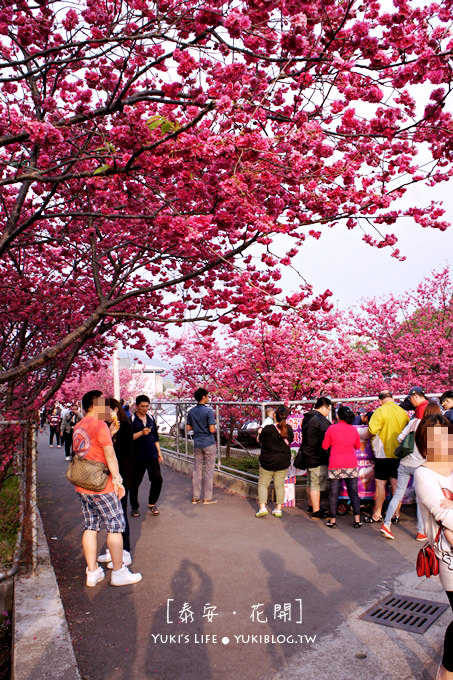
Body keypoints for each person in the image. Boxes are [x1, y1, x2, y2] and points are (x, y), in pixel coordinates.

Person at [72, 390, 142, 587]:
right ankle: (119, 571)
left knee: (90, 526)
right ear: (94, 405)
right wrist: (118, 481)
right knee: (115, 526)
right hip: (102, 485)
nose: (108, 408)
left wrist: (110, 433)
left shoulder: (80, 425)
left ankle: (92, 572)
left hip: (83, 484)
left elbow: (91, 450)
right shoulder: (98, 424)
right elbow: (110, 456)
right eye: (103, 403)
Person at [414, 414, 453, 680]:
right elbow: (445, 517)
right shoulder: (423, 473)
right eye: (434, 439)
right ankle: (447, 670)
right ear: (424, 445)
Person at [378, 405, 441, 541]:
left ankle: (386, 524)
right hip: (421, 467)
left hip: (405, 463)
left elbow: (400, 438)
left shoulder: (413, 422)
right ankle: (420, 531)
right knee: (419, 499)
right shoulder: (431, 427)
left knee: (398, 494)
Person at [97, 398, 134, 569]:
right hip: (108, 474)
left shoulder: (125, 426)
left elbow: (120, 452)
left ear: (114, 410)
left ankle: (124, 550)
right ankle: (113, 549)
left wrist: (110, 437)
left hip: (121, 474)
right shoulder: (106, 426)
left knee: (120, 513)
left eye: (105, 410)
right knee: (110, 514)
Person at [366, 390, 409, 523]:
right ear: (392, 398)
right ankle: (395, 514)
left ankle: (377, 514)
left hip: (382, 454)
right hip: (399, 454)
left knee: (380, 484)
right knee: (396, 485)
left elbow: (372, 430)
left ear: (380, 400)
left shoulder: (380, 411)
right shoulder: (402, 412)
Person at [322, 405, 362, 528]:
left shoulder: (331, 428)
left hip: (335, 464)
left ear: (338, 416)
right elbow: (357, 446)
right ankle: (357, 519)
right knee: (353, 492)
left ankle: (332, 520)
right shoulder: (353, 430)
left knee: (333, 493)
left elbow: (324, 446)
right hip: (351, 464)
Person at [255, 406, 294, 518]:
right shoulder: (289, 429)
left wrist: (260, 432)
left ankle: (262, 508)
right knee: (280, 485)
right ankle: (278, 509)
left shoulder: (267, 429)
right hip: (283, 461)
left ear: (275, 416)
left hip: (267, 461)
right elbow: (290, 440)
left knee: (263, 484)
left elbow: (259, 440)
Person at [130, 394, 163, 516]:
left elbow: (155, 437)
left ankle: (152, 503)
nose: (145, 409)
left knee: (157, 479)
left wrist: (159, 452)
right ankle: (134, 506)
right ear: (136, 406)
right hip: (138, 456)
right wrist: (141, 433)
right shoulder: (131, 420)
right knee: (135, 483)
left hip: (152, 454)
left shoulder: (150, 418)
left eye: (147, 406)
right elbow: (129, 438)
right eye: (142, 406)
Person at [299, 396, 332, 518]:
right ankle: (316, 510)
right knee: (316, 484)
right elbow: (328, 435)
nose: (328, 412)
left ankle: (311, 505)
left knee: (310, 482)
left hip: (308, 455)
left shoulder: (308, 417)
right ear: (323, 407)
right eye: (328, 409)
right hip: (317, 456)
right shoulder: (319, 420)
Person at [186, 387, 218, 505]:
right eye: (208, 396)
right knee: (209, 470)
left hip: (197, 442)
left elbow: (188, 428)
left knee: (197, 470)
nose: (208, 398)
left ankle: (195, 497)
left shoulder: (191, 411)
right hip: (208, 442)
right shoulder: (209, 411)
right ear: (204, 397)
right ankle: (207, 498)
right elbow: (212, 429)